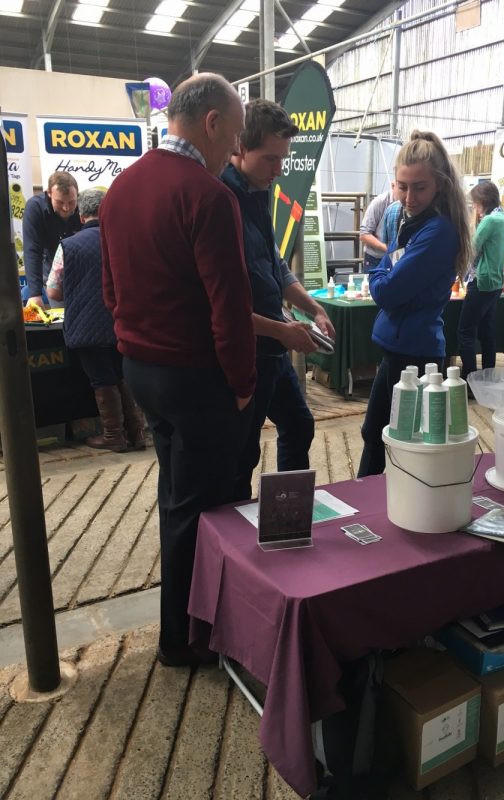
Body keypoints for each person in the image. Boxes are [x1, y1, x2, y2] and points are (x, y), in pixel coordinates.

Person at [99, 73, 257, 667]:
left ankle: (194, 628)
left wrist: (137, 338)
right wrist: (242, 384)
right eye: (234, 137)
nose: (233, 152)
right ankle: (187, 641)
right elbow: (229, 308)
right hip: (195, 379)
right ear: (211, 123)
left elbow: (111, 289)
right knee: (207, 509)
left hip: (141, 368)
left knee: (177, 498)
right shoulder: (208, 197)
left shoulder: (122, 187)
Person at [222, 98, 335, 501]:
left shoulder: (258, 191)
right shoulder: (221, 200)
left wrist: (313, 306)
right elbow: (219, 307)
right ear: (238, 146)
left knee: (299, 424)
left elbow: (274, 266)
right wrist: (283, 331)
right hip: (246, 349)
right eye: (270, 159)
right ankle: (235, 536)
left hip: (273, 343)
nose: (279, 170)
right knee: (241, 454)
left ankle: (286, 511)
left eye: (282, 158)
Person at [357, 130, 472, 477]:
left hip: (414, 350)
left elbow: (387, 291)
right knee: (376, 434)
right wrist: (388, 262)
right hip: (401, 345)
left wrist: (379, 263)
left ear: (440, 184)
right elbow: (391, 277)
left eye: (419, 187)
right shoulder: (414, 223)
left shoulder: (436, 232)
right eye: (401, 186)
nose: (408, 197)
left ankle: (378, 506)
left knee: (396, 441)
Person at [46, 189, 145, 452]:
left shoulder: (68, 246)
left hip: (86, 327)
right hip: (123, 323)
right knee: (123, 375)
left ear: (81, 216)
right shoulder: (125, 241)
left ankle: (114, 436)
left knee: (102, 380)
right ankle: (136, 433)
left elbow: (53, 291)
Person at [457, 181, 504, 379]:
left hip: (482, 281)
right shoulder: (503, 218)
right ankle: (487, 375)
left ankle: (470, 377)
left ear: (482, 201)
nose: (475, 208)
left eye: (475, 204)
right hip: (495, 282)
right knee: (487, 331)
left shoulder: (490, 221)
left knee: (465, 331)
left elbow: (472, 247)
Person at [22, 171, 81, 307]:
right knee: (61, 321)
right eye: (60, 202)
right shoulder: (35, 208)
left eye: (71, 202)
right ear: (49, 194)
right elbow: (32, 250)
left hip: (81, 273)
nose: (66, 208)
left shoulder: (83, 206)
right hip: (52, 275)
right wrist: (35, 294)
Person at [359, 182, 400, 270]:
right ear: (393, 186)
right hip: (376, 258)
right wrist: (389, 249)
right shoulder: (380, 202)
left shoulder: (408, 203)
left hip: (397, 257)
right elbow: (364, 235)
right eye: (402, 187)